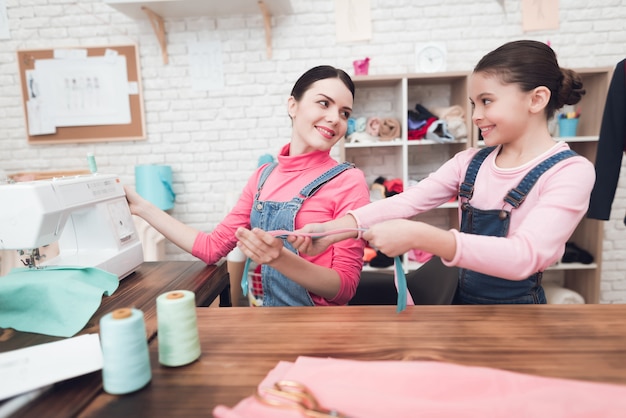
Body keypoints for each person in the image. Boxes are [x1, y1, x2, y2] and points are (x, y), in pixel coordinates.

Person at [289, 40, 594, 305]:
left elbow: (524, 256)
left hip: (517, 316)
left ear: (536, 99)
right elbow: (408, 202)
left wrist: (420, 235)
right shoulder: (469, 162)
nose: (475, 116)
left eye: (487, 101)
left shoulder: (569, 172)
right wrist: (330, 230)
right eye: (474, 104)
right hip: (458, 306)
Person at [125, 65, 370, 306]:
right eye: (324, 103)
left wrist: (279, 258)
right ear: (293, 106)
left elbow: (345, 288)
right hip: (264, 321)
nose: (334, 118)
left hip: (319, 328)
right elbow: (211, 248)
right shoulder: (263, 177)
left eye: (344, 113)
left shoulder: (348, 181)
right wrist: (141, 208)